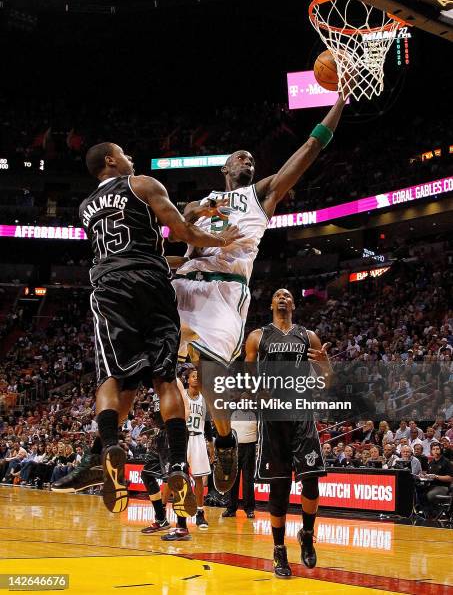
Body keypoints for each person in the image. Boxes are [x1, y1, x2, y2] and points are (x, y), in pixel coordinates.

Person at [51, 142, 241, 515]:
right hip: (152, 284)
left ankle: (106, 449)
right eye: (124, 154)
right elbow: (183, 232)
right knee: (165, 380)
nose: (131, 159)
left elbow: (143, 239)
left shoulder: (85, 208)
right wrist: (220, 240)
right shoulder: (141, 184)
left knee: (113, 378)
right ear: (111, 160)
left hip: (110, 287)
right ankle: (174, 467)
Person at [172, 97, 347, 493]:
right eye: (239, 157)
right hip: (184, 280)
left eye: (251, 158)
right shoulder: (202, 202)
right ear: (225, 168)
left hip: (224, 288)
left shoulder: (261, 196)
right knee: (143, 327)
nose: (246, 160)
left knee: (213, 377)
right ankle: (127, 442)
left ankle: (225, 441)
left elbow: (309, 149)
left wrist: (338, 104)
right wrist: (197, 221)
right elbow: (179, 225)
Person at [245, 288, 333, 577]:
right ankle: (279, 550)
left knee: (310, 482)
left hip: (301, 413)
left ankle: (307, 534)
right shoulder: (258, 336)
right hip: (272, 418)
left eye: (287, 295)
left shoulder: (309, 336)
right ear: (271, 303)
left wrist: (325, 363)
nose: (282, 297)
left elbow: (327, 381)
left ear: (293, 304)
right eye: (278, 295)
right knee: (279, 487)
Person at [162, 367, 213, 541]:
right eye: (193, 376)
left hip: (198, 438)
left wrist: (211, 442)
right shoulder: (180, 395)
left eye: (198, 376)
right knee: (174, 476)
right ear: (187, 380)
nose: (196, 379)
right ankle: (161, 513)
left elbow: (207, 424)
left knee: (198, 479)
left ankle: (200, 513)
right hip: (183, 438)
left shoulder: (204, 399)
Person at [140, 380, 188, 536]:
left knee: (175, 479)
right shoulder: (155, 384)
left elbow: (185, 409)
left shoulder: (175, 381)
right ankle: (161, 519)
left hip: (172, 433)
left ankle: (182, 526)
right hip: (160, 433)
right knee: (146, 474)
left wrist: (177, 432)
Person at [223, 392, 257, 518]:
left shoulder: (255, 414)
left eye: (247, 399)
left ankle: (249, 509)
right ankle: (231, 509)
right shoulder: (234, 414)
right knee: (233, 480)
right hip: (235, 448)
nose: (245, 401)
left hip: (250, 448)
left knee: (248, 479)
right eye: (243, 399)